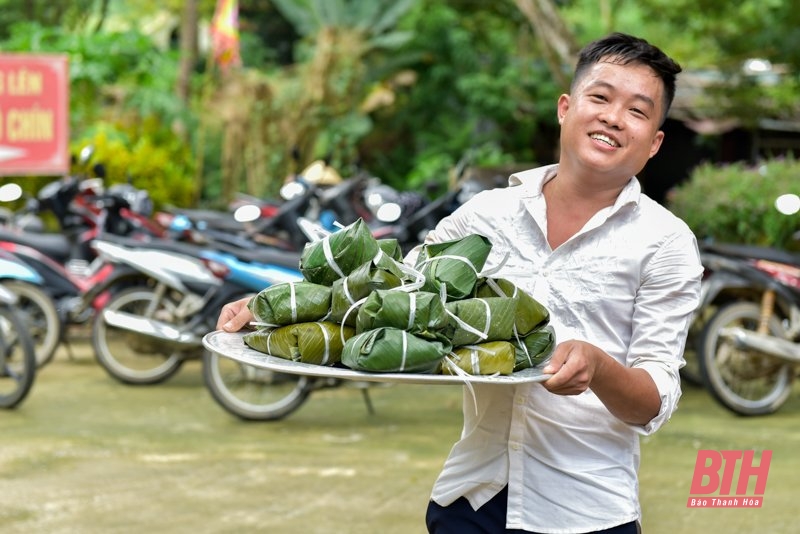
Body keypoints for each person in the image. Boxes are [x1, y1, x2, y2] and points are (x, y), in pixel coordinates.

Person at [216, 32, 702, 534]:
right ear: (565, 108)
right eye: (599, 97)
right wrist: (269, 305)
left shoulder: (665, 243)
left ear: (654, 143)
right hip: (470, 499)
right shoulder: (488, 214)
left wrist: (598, 367)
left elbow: (654, 399)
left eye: (637, 111)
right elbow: (389, 290)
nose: (613, 117)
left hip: (585, 511)